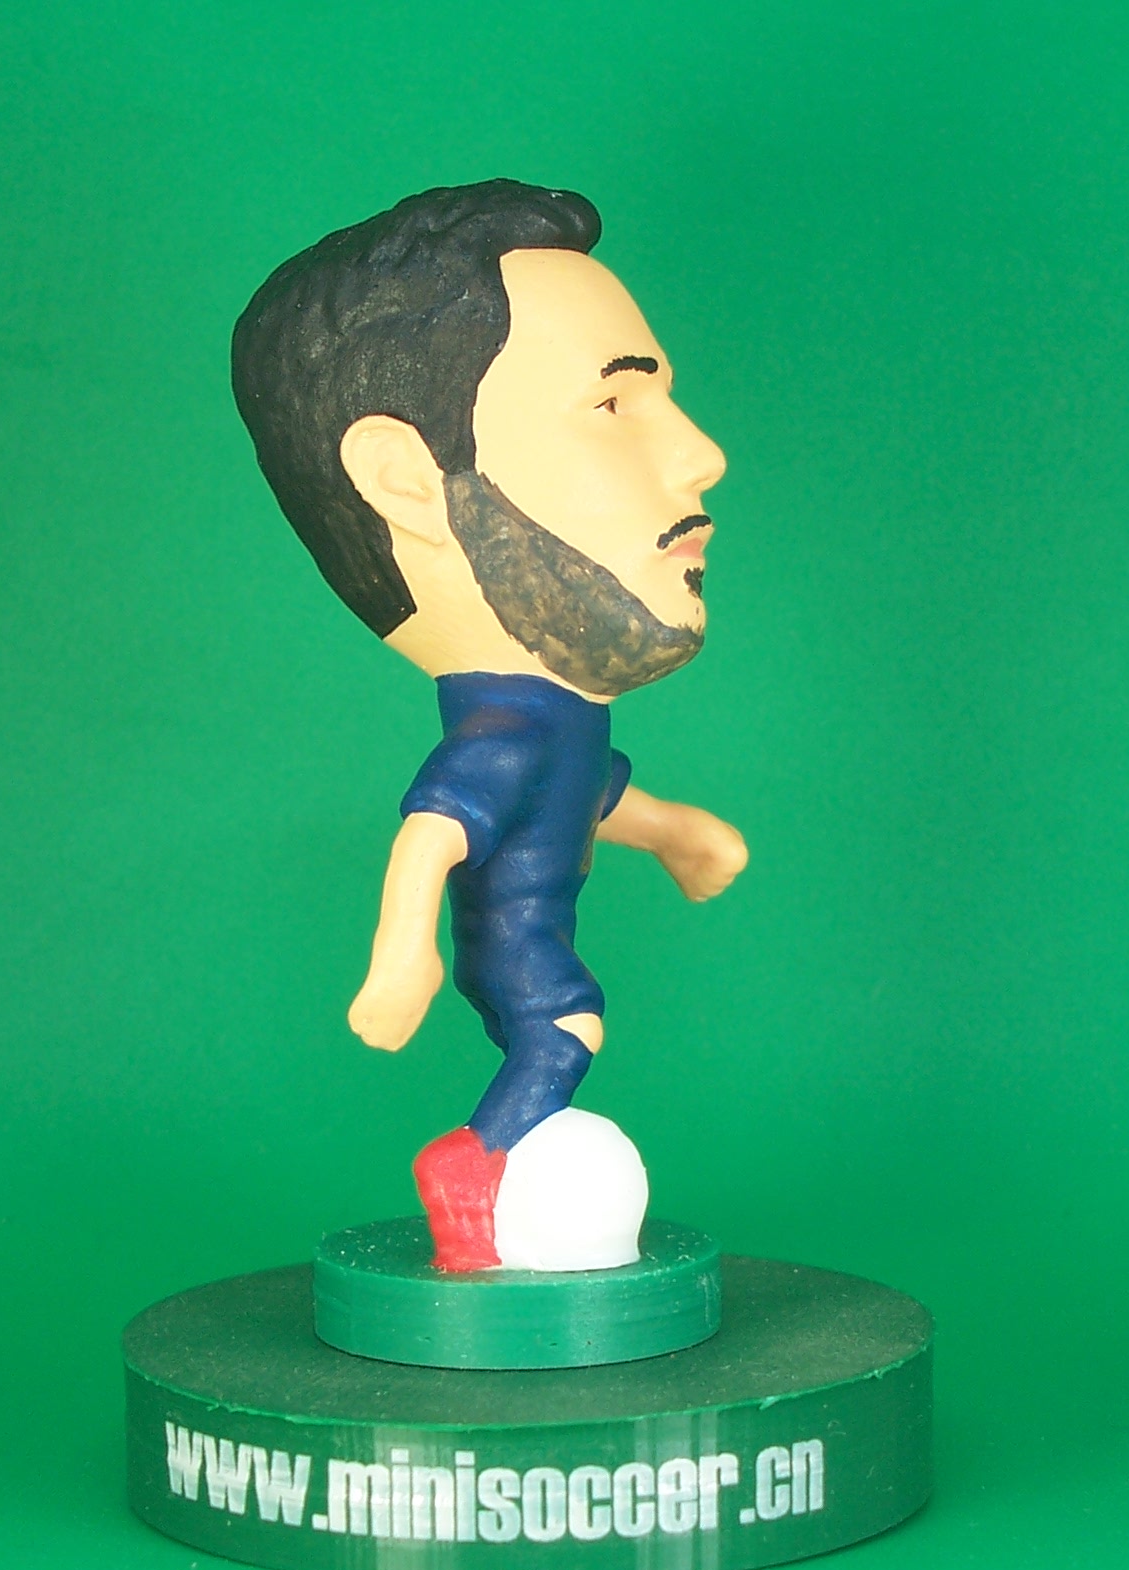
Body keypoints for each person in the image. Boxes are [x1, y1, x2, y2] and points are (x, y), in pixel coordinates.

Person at [233, 181, 747, 1270]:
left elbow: (592, 797)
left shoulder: (561, 730)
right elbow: (432, 832)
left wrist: (676, 832)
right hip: (520, 952)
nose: (702, 454)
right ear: (406, 480)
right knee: (566, 1029)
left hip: (521, 939)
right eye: (613, 405)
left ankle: (481, 1178)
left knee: (565, 1030)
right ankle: (470, 1168)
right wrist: (399, 956)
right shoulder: (504, 735)